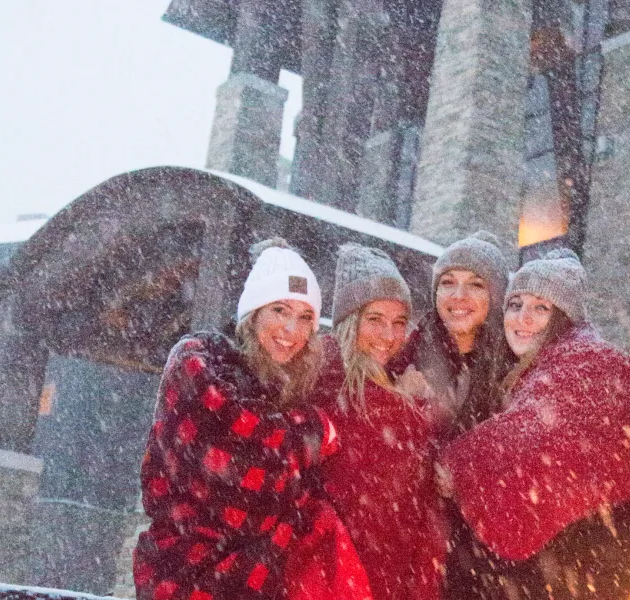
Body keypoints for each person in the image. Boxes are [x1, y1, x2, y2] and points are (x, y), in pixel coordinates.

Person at [438, 248, 630, 600]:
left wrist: (456, 462)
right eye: (515, 305)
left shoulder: (582, 362)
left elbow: (531, 427)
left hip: (588, 552)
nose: (522, 318)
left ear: (563, 318)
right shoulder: (555, 364)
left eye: (541, 308)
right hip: (600, 549)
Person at [133, 239, 370, 600]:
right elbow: (243, 491)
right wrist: (312, 432)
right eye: (279, 309)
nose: (292, 329)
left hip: (262, 584)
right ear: (254, 312)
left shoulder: (292, 387)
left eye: (305, 317)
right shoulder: (196, 362)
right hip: (184, 575)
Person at [310, 243, 448, 600]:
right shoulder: (325, 376)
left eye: (399, 323)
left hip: (391, 570)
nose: (389, 337)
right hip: (342, 570)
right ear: (350, 320)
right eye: (375, 320)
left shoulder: (395, 382)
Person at [392, 231, 510, 440]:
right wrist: (398, 401)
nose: (459, 296)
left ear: (496, 298)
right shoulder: (403, 354)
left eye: (476, 285)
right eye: (448, 282)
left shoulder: (512, 371)